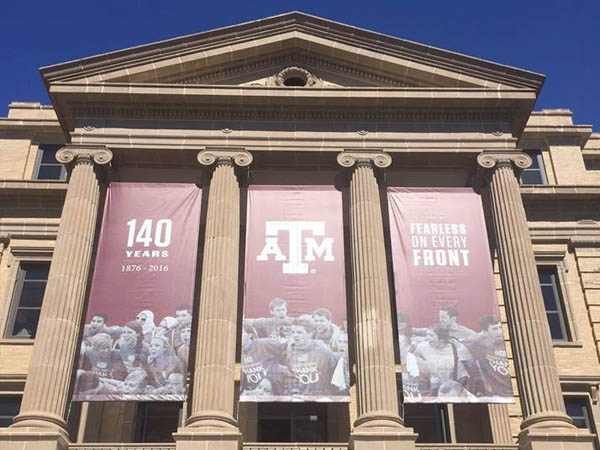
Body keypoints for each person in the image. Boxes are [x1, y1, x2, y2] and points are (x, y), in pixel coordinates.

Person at [411, 324, 471, 400]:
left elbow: (467, 374)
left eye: (431, 335)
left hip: (450, 393)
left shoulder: (456, 349)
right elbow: (412, 367)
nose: (427, 338)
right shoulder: (421, 347)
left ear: (442, 339)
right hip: (429, 393)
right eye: (427, 335)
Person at [286, 318, 341, 397]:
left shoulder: (323, 350)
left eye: (299, 332)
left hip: (323, 399)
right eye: (293, 332)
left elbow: (338, 369)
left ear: (310, 334)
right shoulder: (288, 352)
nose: (295, 335)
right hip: (299, 399)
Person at [466, 314, 512, 399]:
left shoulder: (511, 342)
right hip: (497, 395)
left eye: (500, 327)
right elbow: (462, 345)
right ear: (485, 332)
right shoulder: (478, 345)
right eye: (494, 329)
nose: (499, 332)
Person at [240, 322, 289, 398]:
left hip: (273, 393)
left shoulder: (265, 343)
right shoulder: (237, 354)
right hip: (254, 397)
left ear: (249, 335)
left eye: (242, 332)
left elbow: (288, 344)